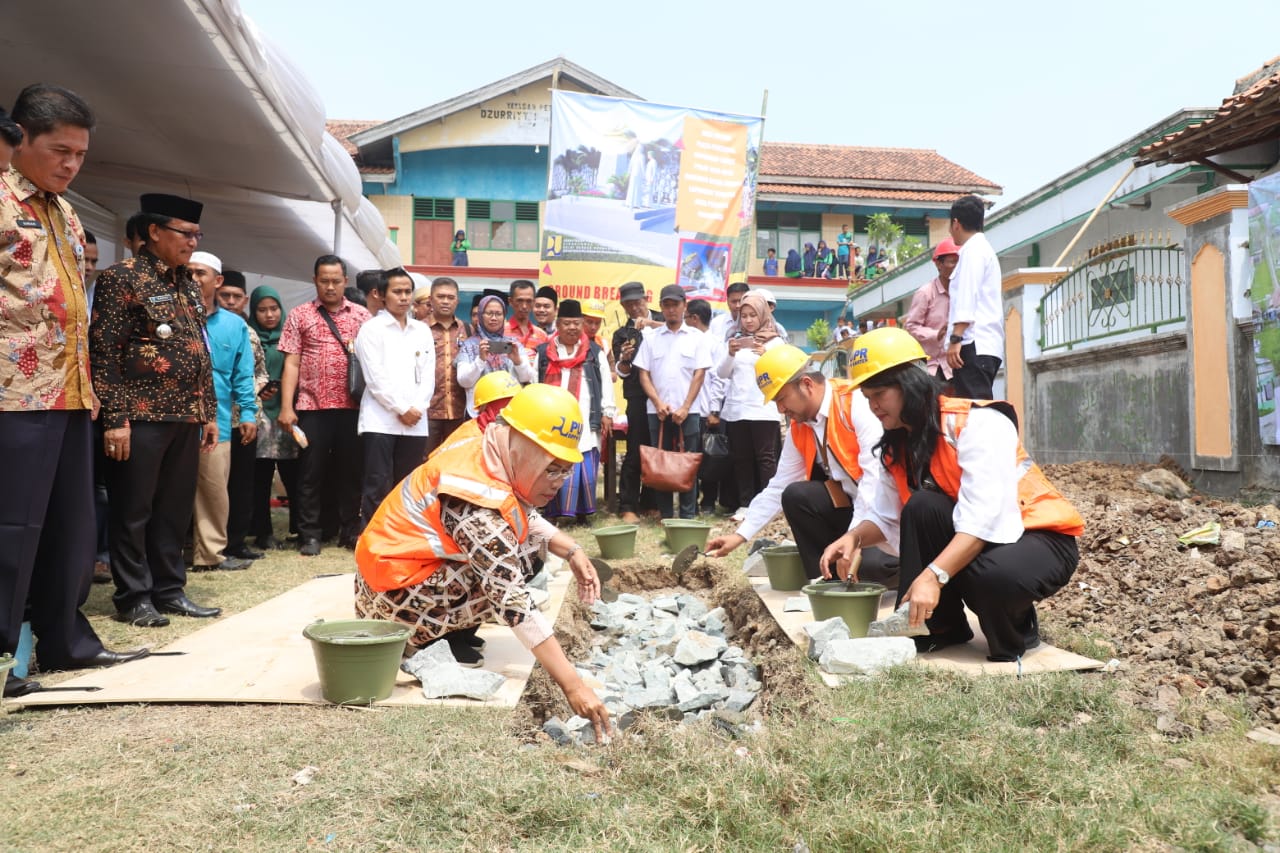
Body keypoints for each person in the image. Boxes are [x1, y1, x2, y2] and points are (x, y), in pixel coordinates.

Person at [354, 384, 611, 739]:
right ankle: (421, 643)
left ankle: (449, 635)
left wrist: (572, 550)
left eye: (565, 470)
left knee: (514, 554)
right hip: (392, 600)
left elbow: (514, 510)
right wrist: (574, 685)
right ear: (522, 448)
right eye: (551, 469)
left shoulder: (486, 443)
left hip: (392, 576)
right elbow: (512, 601)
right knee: (510, 569)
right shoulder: (475, 508)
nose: (559, 482)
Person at [819, 327, 1084, 661]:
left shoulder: (977, 424)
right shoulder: (897, 445)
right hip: (982, 535)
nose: (872, 407)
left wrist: (934, 576)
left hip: (1039, 536)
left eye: (879, 395)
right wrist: (854, 537)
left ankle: (1017, 627)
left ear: (909, 384)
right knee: (922, 506)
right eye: (867, 397)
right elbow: (889, 518)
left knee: (991, 576)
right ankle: (939, 628)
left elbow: (984, 518)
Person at [2, 85, 147, 695]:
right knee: (12, 528)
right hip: (14, 392)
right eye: (59, 150)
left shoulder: (63, 210)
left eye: (80, 155)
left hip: (69, 391)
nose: (70, 165)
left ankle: (66, 644)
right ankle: (7, 661)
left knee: (72, 527)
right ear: (20, 141)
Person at [92, 192, 223, 626]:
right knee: (134, 509)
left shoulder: (187, 281)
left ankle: (169, 590)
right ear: (154, 232)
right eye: (186, 233)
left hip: (184, 415)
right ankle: (133, 597)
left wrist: (207, 410)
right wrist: (115, 419)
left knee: (173, 509)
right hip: (140, 416)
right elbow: (105, 353)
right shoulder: (121, 278)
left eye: (197, 234)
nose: (193, 242)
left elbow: (198, 350)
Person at [706, 345, 897, 587]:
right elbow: (778, 486)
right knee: (796, 495)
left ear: (806, 384)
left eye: (782, 398)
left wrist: (853, 540)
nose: (780, 409)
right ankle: (825, 580)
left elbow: (874, 481)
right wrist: (739, 535)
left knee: (875, 567)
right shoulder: (801, 426)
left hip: (884, 510)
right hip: (853, 506)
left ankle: (908, 566)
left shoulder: (856, 404)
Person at [277, 254, 372, 556]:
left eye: (336, 280)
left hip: (353, 408)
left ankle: (349, 531)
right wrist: (286, 407)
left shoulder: (362, 316)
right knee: (310, 473)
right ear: (315, 280)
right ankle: (310, 534)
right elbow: (291, 362)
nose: (330, 286)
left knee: (350, 472)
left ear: (345, 281)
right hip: (311, 407)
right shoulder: (299, 315)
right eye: (324, 280)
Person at [187, 252, 257, 573]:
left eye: (200, 272)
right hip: (174, 418)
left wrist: (248, 414)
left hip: (220, 423)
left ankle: (210, 555)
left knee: (214, 492)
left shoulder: (234, 325)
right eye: (188, 271)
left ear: (217, 281)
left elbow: (243, 375)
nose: (193, 277)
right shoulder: (172, 315)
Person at [354, 267, 434, 526]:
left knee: (408, 484)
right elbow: (374, 379)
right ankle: (373, 538)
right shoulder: (371, 329)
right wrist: (402, 409)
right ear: (381, 295)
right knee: (377, 482)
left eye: (408, 292)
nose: (403, 297)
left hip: (416, 421)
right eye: (397, 292)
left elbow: (428, 376)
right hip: (381, 420)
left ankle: (403, 536)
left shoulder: (421, 330)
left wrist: (417, 408)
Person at [635, 284, 712, 519]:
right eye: (666, 305)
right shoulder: (651, 338)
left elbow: (700, 374)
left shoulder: (697, 338)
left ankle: (688, 516)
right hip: (656, 412)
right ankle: (666, 516)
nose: (671, 310)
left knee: (688, 462)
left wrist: (686, 407)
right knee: (661, 464)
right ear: (661, 307)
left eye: (675, 305)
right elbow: (643, 374)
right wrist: (658, 403)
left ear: (684, 306)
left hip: (689, 411)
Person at [534, 300, 614, 523]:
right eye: (567, 323)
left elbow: (606, 382)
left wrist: (607, 411)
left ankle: (583, 514)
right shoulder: (544, 353)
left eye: (576, 323)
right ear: (558, 325)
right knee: (554, 464)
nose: (572, 328)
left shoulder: (593, 352)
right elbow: (534, 383)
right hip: (553, 420)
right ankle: (553, 513)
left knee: (585, 465)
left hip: (586, 419)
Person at [214, 269, 269, 561]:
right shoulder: (204, 326)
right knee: (214, 486)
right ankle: (213, 544)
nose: (231, 301)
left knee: (242, 483)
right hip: (215, 421)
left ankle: (237, 542)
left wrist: (260, 387)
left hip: (245, 421)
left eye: (237, 297)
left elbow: (260, 371)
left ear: (245, 300)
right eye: (226, 296)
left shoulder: (248, 333)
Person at [716, 292, 784, 517]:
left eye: (753, 315)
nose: (748, 320)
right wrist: (730, 353)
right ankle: (745, 503)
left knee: (765, 459)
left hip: (764, 409)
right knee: (741, 458)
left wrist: (767, 356)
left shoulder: (775, 342)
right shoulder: (734, 339)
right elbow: (722, 373)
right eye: (744, 315)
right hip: (737, 409)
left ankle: (769, 505)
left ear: (762, 315)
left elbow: (783, 373)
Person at [247, 285, 299, 550]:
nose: (269, 315)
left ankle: (298, 527)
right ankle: (263, 532)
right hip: (259, 415)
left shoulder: (290, 339)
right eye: (262, 309)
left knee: (293, 473)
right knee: (261, 477)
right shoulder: (249, 338)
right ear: (253, 311)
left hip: (288, 413)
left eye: (274, 308)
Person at [612, 281, 662, 524]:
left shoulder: (664, 320)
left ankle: (652, 501)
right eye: (628, 304)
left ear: (646, 298)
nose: (635, 307)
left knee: (658, 448)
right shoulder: (622, 334)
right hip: (637, 397)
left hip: (665, 396)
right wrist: (624, 360)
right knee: (635, 450)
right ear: (623, 305)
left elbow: (684, 331)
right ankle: (628, 504)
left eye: (638, 301)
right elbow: (621, 372)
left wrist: (651, 325)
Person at [945, 195, 1003, 399]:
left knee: (976, 412)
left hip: (973, 344)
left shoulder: (973, 251)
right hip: (983, 344)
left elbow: (967, 296)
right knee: (976, 409)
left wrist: (956, 338)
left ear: (956, 223)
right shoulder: (982, 249)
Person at [683, 299, 733, 515]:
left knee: (711, 458)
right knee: (691, 458)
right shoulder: (688, 340)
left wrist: (714, 410)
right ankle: (691, 502)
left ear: (694, 319)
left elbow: (719, 379)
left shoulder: (713, 343)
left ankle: (708, 502)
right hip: (689, 410)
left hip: (706, 411)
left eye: (686, 317)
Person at [457, 293, 535, 416]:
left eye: (498, 314)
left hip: (509, 413)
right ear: (481, 316)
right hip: (478, 413)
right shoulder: (469, 345)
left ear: (504, 316)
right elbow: (464, 381)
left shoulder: (513, 344)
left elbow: (527, 378)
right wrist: (480, 360)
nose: (494, 318)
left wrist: (518, 362)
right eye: (489, 313)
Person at [423, 276, 472, 456]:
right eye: (440, 296)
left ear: (457, 301)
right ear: (430, 300)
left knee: (454, 461)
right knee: (423, 463)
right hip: (427, 413)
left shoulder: (467, 330)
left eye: (450, 297)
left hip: (459, 412)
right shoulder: (419, 330)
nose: (445, 301)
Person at [905, 239, 960, 383]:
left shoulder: (964, 293)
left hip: (955, 365)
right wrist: (936, 334)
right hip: (929, 367)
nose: (957, 267)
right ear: (939, 264)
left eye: (959, 262)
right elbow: (911, 327)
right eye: (952, 262)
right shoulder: (925, 293)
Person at [505, 279, 549, 357]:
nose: (524, 306)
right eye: (520, 301)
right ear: (510, 301)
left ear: (534, 302)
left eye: (529, 301)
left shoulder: (542, 335)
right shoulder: (501, 332)